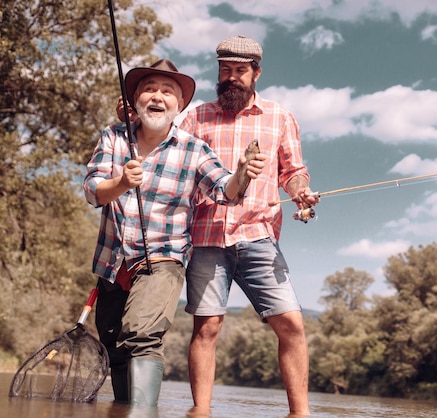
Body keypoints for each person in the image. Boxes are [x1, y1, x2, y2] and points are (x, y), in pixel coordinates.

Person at [85, 58, 265, 407]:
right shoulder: (112, 136)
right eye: (149, 89)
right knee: (113, 342)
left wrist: (242, 173)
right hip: (112, 260)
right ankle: (126, 410)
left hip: (163, 259)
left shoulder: (193, 148)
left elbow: (225, 190)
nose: (158, 96)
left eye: (168, 91)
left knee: (141, 334)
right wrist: (121, 182)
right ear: (134, 100)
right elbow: (93, 191)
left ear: (180, 106)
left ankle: (142, 414)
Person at [180, 35, 317, 416]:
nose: (232, 78)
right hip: (206, 238)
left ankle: (299, 413)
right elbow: (170, 158)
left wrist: (301, 192)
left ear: (257, 73)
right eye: (226, 70)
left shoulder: (280, 117)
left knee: (291, 325)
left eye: (241, 71)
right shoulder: (194, 116)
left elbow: (294, 172)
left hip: (259, 236)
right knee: (206, 329)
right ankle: (201, 412)